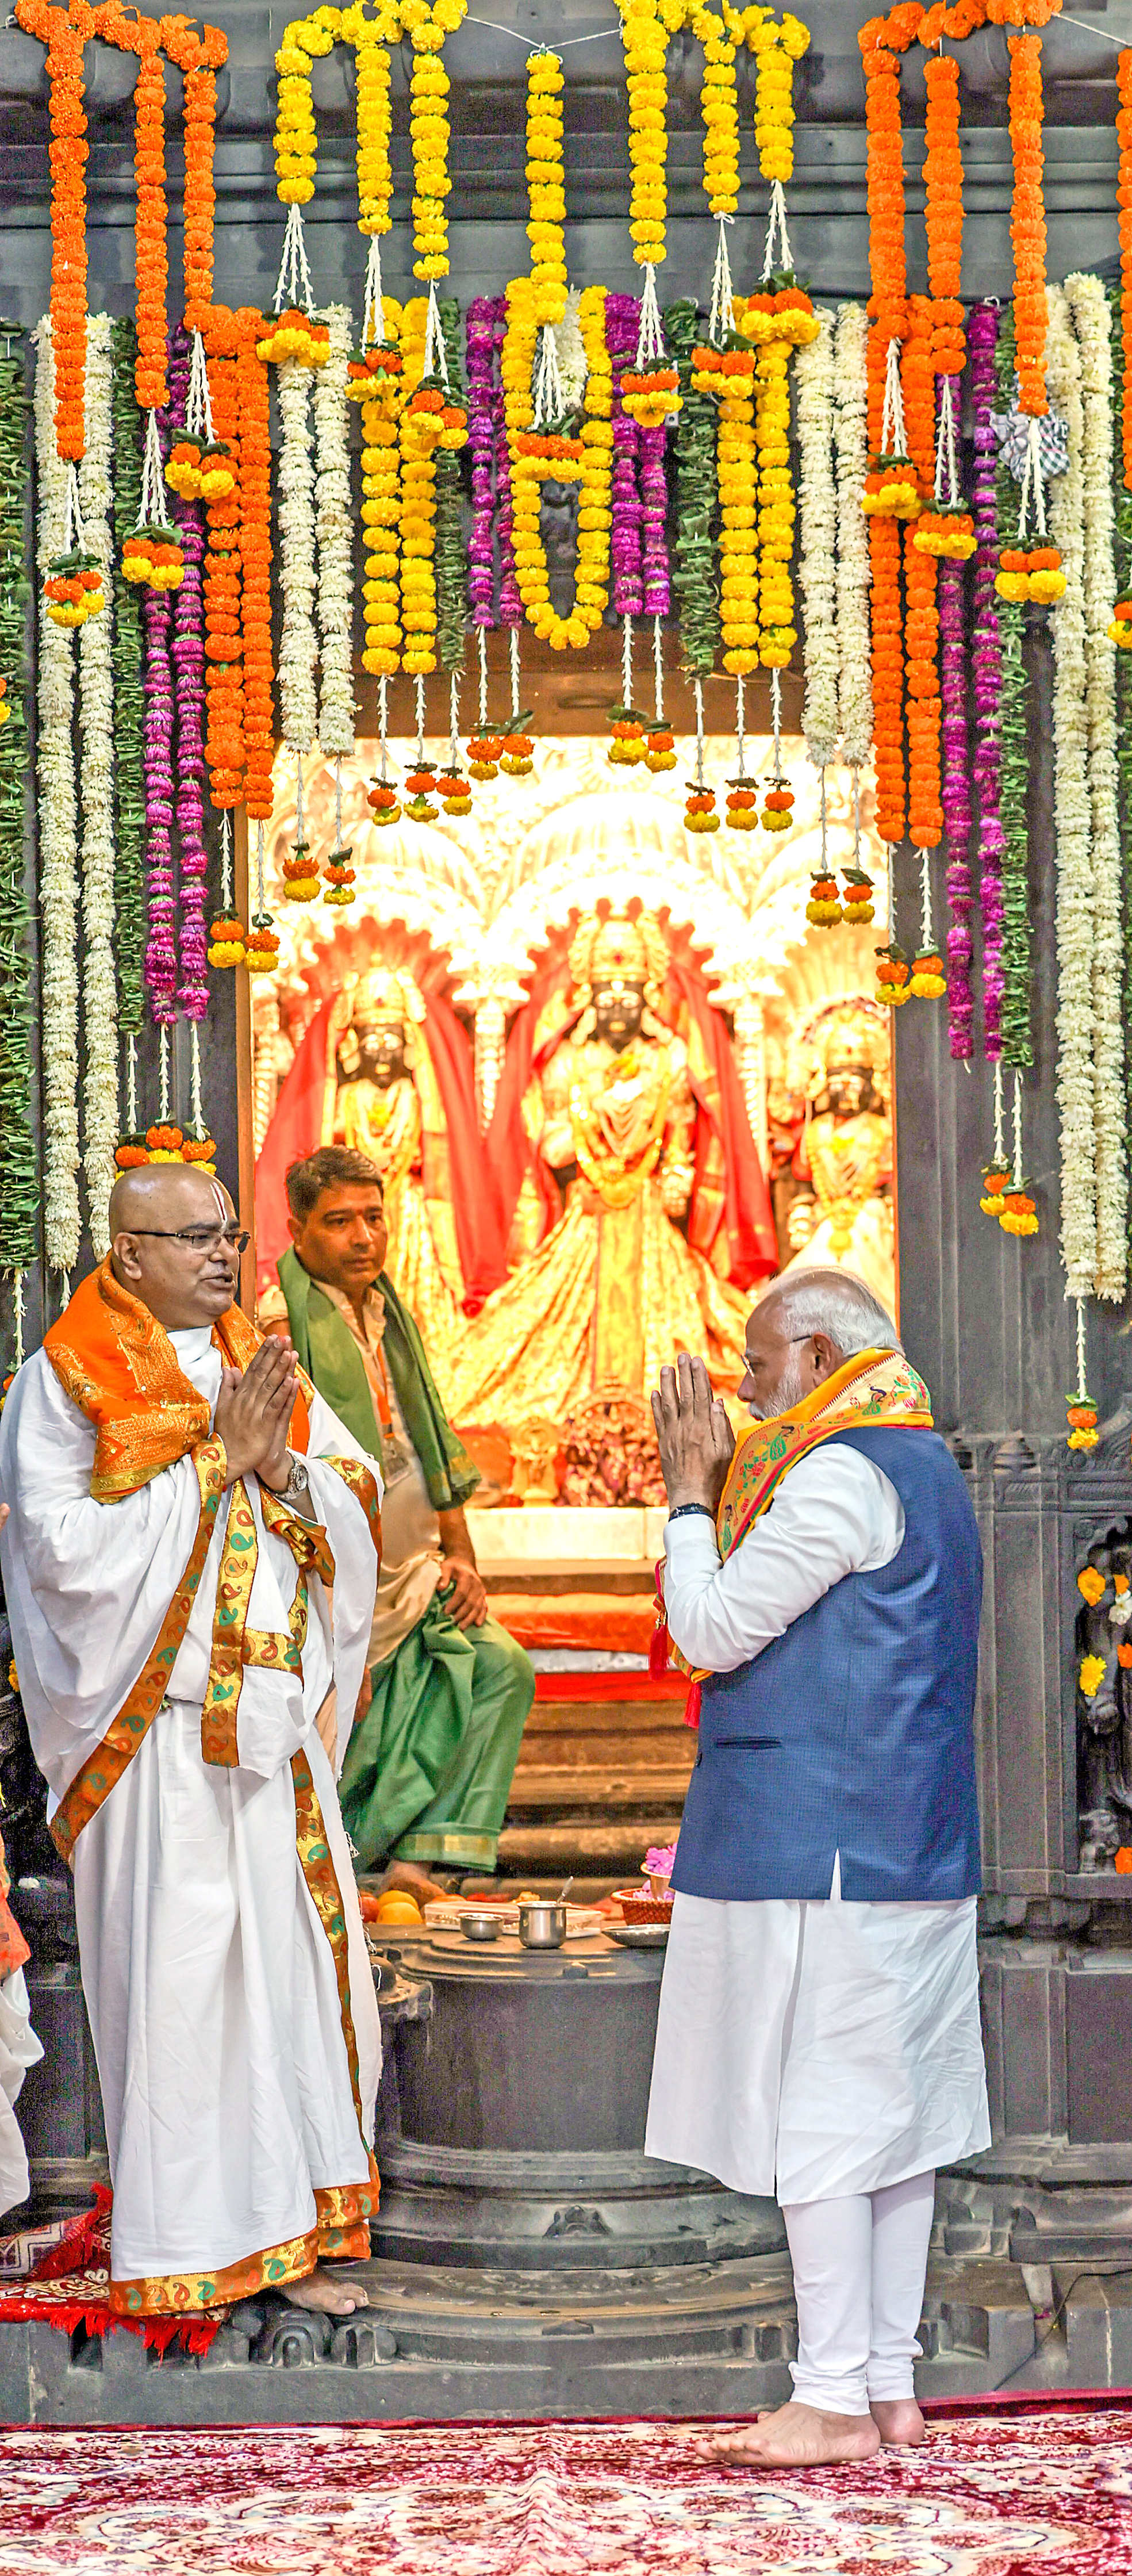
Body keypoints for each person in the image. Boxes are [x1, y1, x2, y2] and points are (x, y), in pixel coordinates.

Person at [0, 1163, 384, 2321]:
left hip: (268, 1732)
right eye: (195, 1237)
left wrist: (282, 1467)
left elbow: (353, 1496)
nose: (225, 1255)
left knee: (289, 1992)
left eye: (231, 1233)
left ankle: (285, 2241)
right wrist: (220, 1457)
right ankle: (188, 2249)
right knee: (183, 2002)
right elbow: (64, 1556)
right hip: (153, 1739)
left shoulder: (257, 1355)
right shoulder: (65, 1378)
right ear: (128, 1253)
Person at [645, 1269, 988, 2467]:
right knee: (896, 2126)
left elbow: (710, 1627)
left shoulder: (841, 1471)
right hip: (906, 1839)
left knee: (829, 2126)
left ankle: (833, 2394)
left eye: (754, 1363)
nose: (738, 1389)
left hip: (827, 1848)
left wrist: (690, 1500)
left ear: (814, 1350)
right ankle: (887, 2381)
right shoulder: (924, 1461)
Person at [261, 1145, 535, 1887]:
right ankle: (352, 1857)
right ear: (297, 1229)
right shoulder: (279, 1320)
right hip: (346, 1576)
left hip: (414, 1567)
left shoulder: (384, 1305)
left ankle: (419, 1856)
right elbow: (286, 1472)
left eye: (374, 1219)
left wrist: (463, 1555)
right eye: (340, 1221)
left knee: (502, 1668)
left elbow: (428, 1441)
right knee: (409, 1694)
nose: (363, 1239)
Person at [443, 907, 776, 1430]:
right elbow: (551, 1143)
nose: (618, 996)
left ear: (648, 994)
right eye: (607, 985)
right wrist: (591, 1121)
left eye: (629, 984)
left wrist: (675, 1177)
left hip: (650, 1216)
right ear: (587, 995)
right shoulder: (566, 1063)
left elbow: (681, 1144)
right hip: (587, 1211)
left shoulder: (669, 1059)